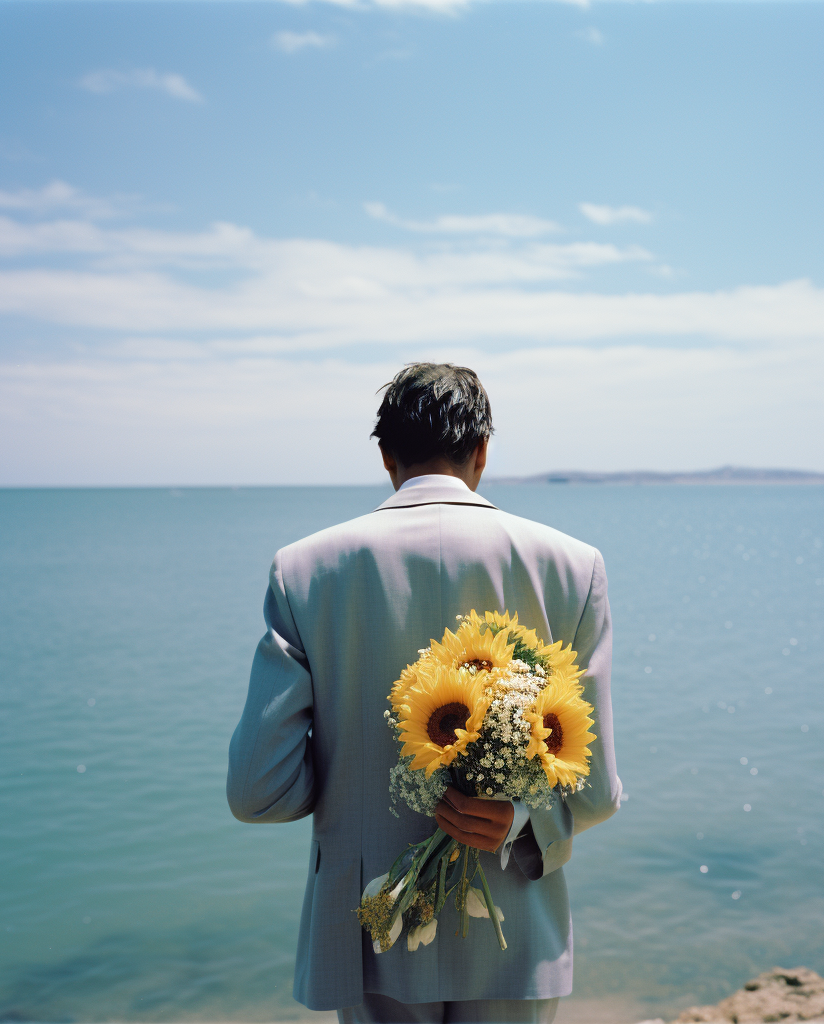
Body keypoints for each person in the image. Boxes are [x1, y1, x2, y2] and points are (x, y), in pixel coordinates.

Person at [227, 363, 622, 1024]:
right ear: (483, 452)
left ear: (386, 456)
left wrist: (351, 788)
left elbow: (257, 792)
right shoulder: (573, 567)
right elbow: (597, 791)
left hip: (370, 928)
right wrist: (519, 818)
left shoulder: (304, 569)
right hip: (513, 931)